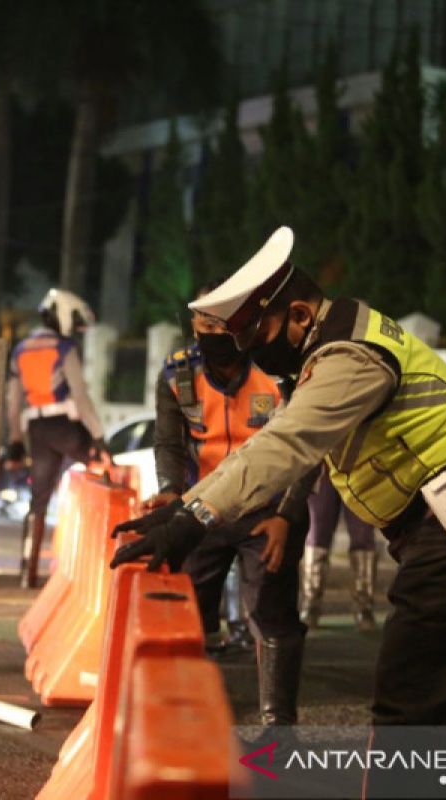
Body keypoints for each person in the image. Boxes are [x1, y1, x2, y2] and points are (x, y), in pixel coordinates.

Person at [111, 226, 446, 734]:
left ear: (298, 314)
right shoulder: (330, 346)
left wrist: (193, 516)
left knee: (412, 703)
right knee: (444, 700)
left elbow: (286, 445)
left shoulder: (348, 357)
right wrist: (187, 506)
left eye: (258, 337)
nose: (254, 354)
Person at [143, 277, 312, 724]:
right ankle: (196, 717)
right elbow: (170, 444)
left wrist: (285, 518)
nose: (212, 329)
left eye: (223, 319)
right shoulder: (177, 374)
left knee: (270, 615)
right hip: (206, 510)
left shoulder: (278, 373)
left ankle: (279, 728)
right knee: (191, 613)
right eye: (203, 318)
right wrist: (169, 491)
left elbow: (307, 450)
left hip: (268, 511)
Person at [2, 288, 110, 589]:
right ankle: (99, 563)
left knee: (38, 502)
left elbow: (12, 402)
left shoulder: (21, 349)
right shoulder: (63, 348)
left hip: (37, 431)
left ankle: (28, 570)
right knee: (104, 478)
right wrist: (99, 438)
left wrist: (14, 439)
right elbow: (81, 396)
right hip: (67, 427)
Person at [302, 464, 380, 632]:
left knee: (363, 536)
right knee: (316, 535)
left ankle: (364, 606)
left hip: (358, 467)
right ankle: (311, 603)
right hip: (323, 466)